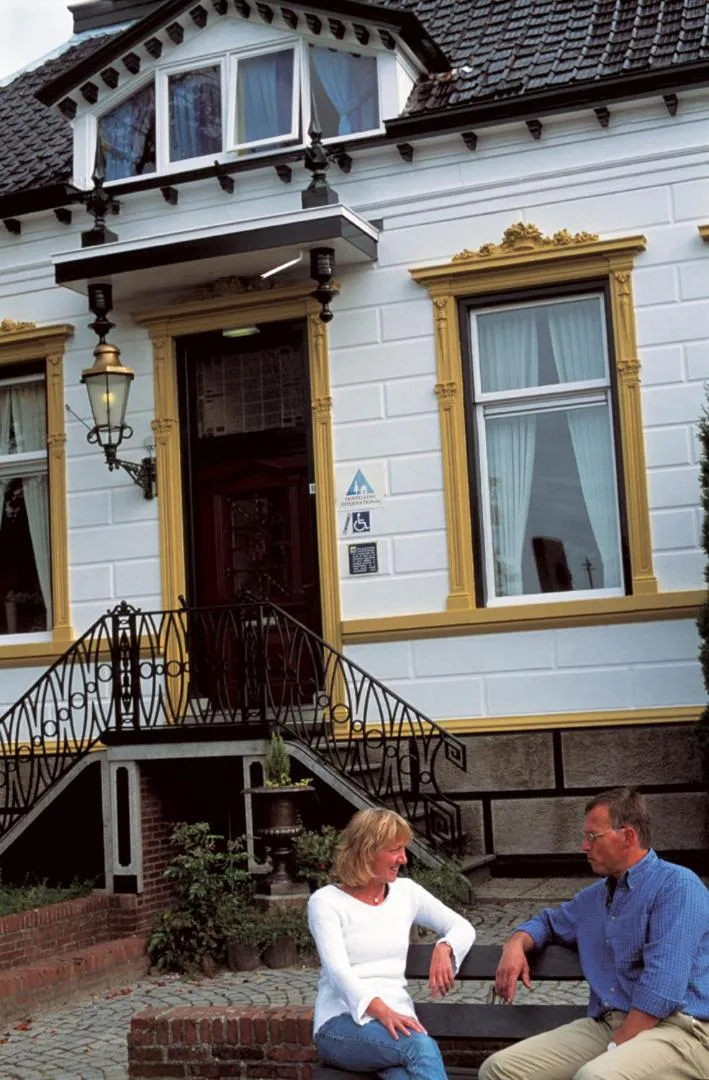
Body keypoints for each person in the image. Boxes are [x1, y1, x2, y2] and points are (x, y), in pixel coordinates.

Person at [479, 786, 709, 1080]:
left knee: (595, 1077)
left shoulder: (677, 886)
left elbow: (662, 991)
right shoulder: (593, 899)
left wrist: (615, 1047)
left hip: (679, 1030)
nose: (583, 846)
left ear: (627, 836)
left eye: (592, 836)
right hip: (608, 1023)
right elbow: (548, 922)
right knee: (499, 1070)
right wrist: (515, 944)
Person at [308, 807, 475, 1080]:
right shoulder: (325, 902)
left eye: (403, 849)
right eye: (395, 850)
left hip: (395, 1029)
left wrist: (445, 947)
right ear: (366, 852)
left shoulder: (407, 893)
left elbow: (462, 927)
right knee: (420, 1048)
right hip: (340, 1025)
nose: (404, 858)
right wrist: (383, 1012)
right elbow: (339, 972)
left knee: (402, 1075)